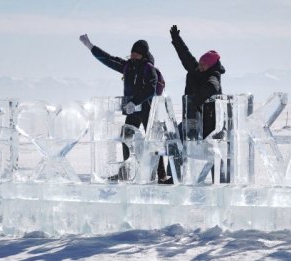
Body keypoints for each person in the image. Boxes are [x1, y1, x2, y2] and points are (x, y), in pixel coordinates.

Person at [79, 34, 171, 184]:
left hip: (147, 108)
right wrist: (91, 47)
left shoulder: (149, 68)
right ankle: (126, 172)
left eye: (136, 52)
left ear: (143, 54)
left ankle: (161, 174)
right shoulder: (128, 66)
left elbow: (151, 88)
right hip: (133, 110)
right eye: (132, 52)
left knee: (153, 140)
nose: (133, 54)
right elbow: (109, 59)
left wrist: (134, 102)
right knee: (126, 137)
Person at [169, 25, 226, 183]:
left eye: (203, 65)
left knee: (213, 152)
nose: (200, 67)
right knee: (175, 141)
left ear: (211, 66)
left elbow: (212, 87)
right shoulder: (195, 70)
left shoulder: (214, 76)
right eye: (200, 63)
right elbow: (185, 55)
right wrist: (176, 39)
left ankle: (219, 180)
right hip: (192, 119)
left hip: (209, 123)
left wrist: (196, 101)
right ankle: (173, 177)